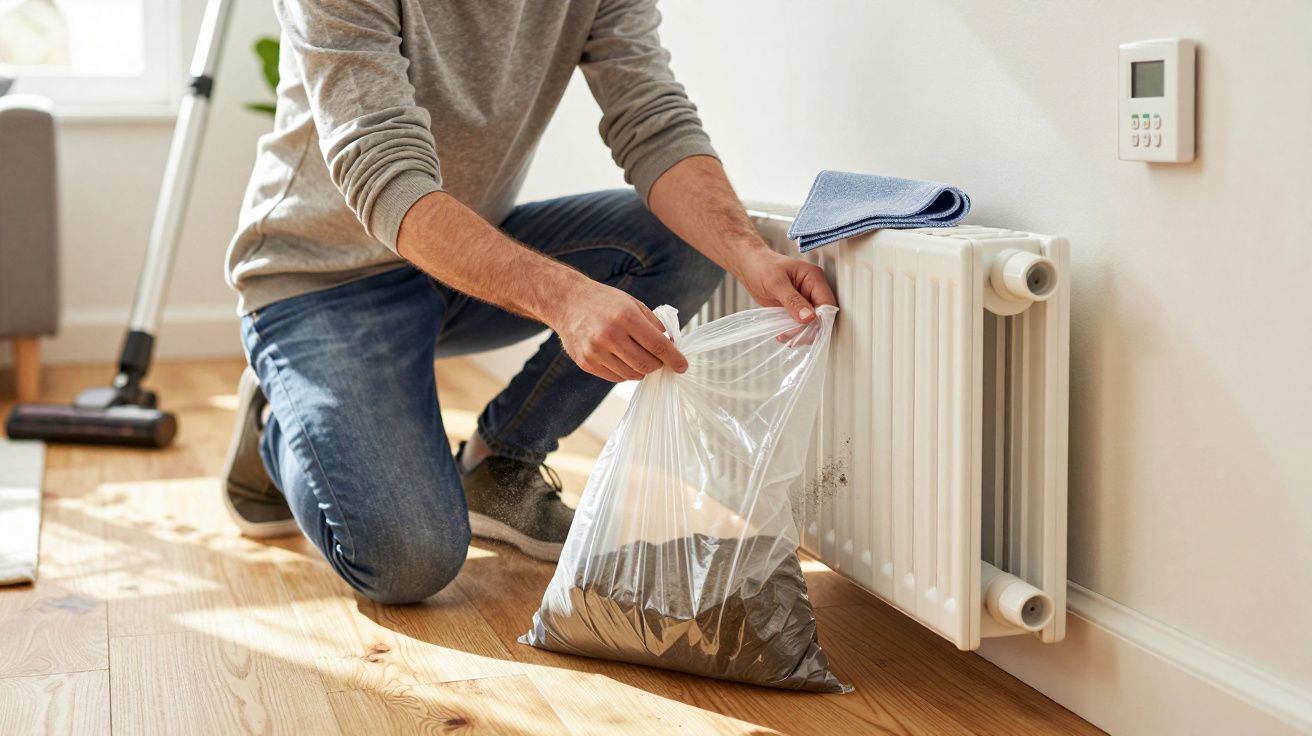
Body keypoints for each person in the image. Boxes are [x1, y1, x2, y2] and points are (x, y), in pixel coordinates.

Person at [221, 0, 837, 605]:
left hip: (455, 267)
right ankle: (282, 411)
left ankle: (501, 462)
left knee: (687, 242)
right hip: (320, 282)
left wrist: (750, 254)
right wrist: (565, 299)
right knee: (409, 560)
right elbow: (383, 171)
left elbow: (651, 117)